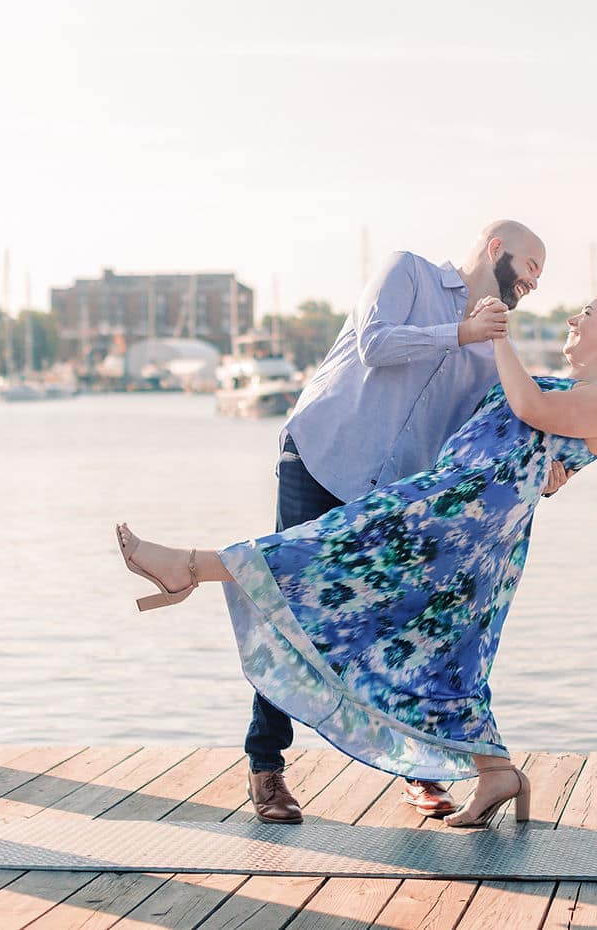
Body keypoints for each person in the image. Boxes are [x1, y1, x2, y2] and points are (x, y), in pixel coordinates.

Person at [116, 292, 597, 827]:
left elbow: (529, 408)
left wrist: (497, 337)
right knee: (446, 649)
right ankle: (495, 770)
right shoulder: (572, 388)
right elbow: (521, 437)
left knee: (329, 548)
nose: (573, 317)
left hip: (459, 525)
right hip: (448, 510)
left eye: (587, 314)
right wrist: (543, 470)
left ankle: (188, 566)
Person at [228, 220, 567, 824]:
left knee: (406, 625)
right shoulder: (406, 270)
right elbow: (375, 344)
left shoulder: (497, 346)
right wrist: (463, 332)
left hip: (393, 495)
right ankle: (267, 768)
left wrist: (547, 462)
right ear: (496, 250)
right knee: (285, 609)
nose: (536, 282)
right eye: (532, 267)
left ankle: (421, 770)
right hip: (321, 454)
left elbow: (498, 422)